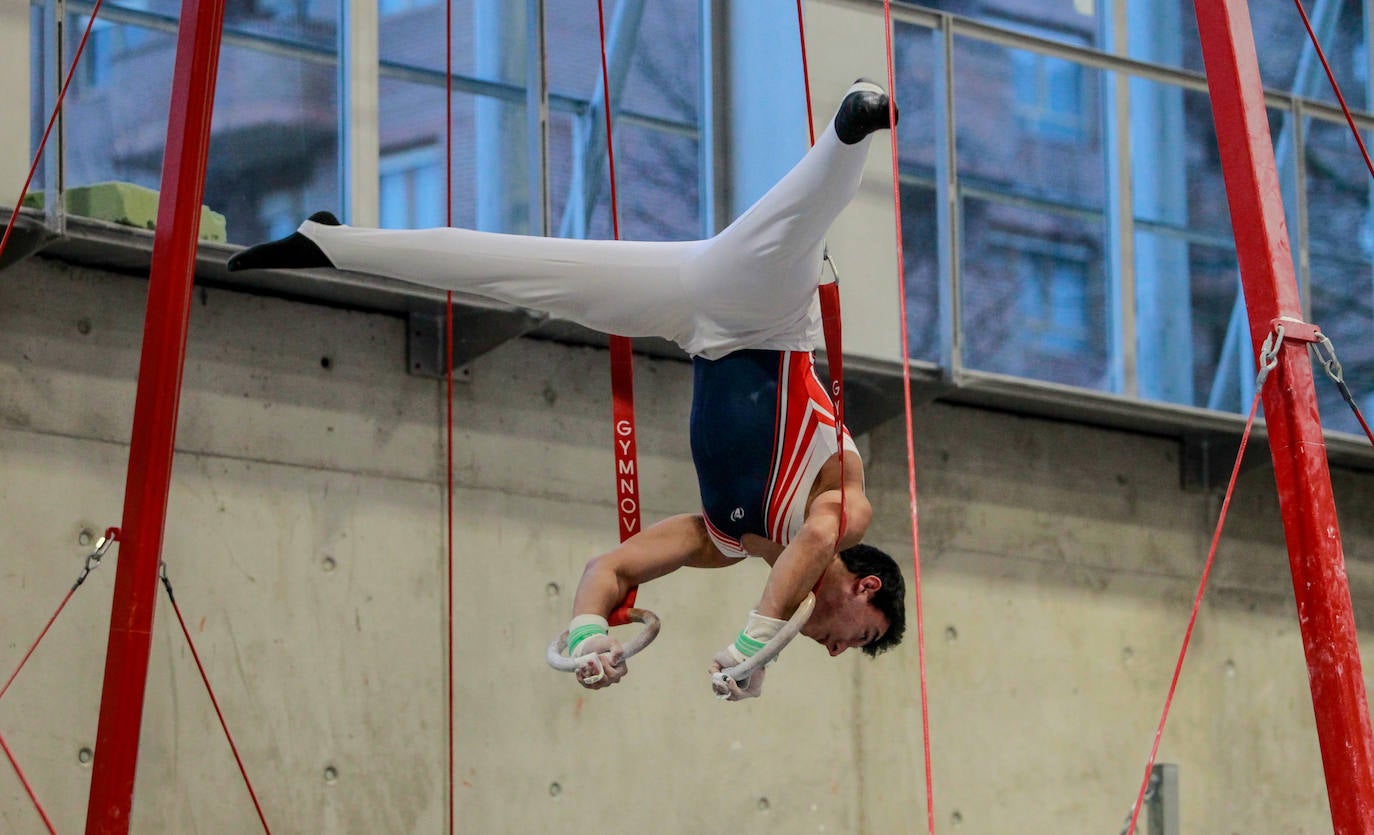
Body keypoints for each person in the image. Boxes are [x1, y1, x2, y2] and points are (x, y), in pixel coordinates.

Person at [228, 79, 907, 700]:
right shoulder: (844, 503)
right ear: (865, 585)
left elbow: (611, 566)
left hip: (692, 317)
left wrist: (589, 633)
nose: (842, 649)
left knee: (521, 270)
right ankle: (855, 121)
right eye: (865, 632)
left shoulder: (727, 540)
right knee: (802, 214)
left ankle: (332, 244)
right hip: (768, 314)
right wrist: (757, 642)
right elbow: (816, 538)